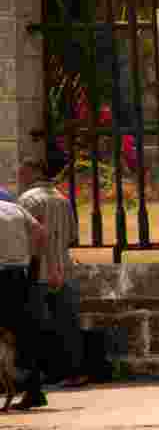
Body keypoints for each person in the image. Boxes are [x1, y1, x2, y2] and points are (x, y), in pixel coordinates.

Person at [19, 151, 87, 391]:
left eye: (24, 171)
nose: (21, 175)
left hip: (39, 270)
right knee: (67, 324)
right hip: (64, 269)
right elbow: (71, 237)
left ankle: (40, 375)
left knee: (36, 325)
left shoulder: (28, 199)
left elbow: (26, 237)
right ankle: (74, 372)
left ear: (33, 172)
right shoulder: (62, 198)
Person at [0, 183, 50, 410]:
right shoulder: (15, 209)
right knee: (25, 333)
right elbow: (41, 231)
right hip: (20, 275)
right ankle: (34, 390)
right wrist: (33, 259)